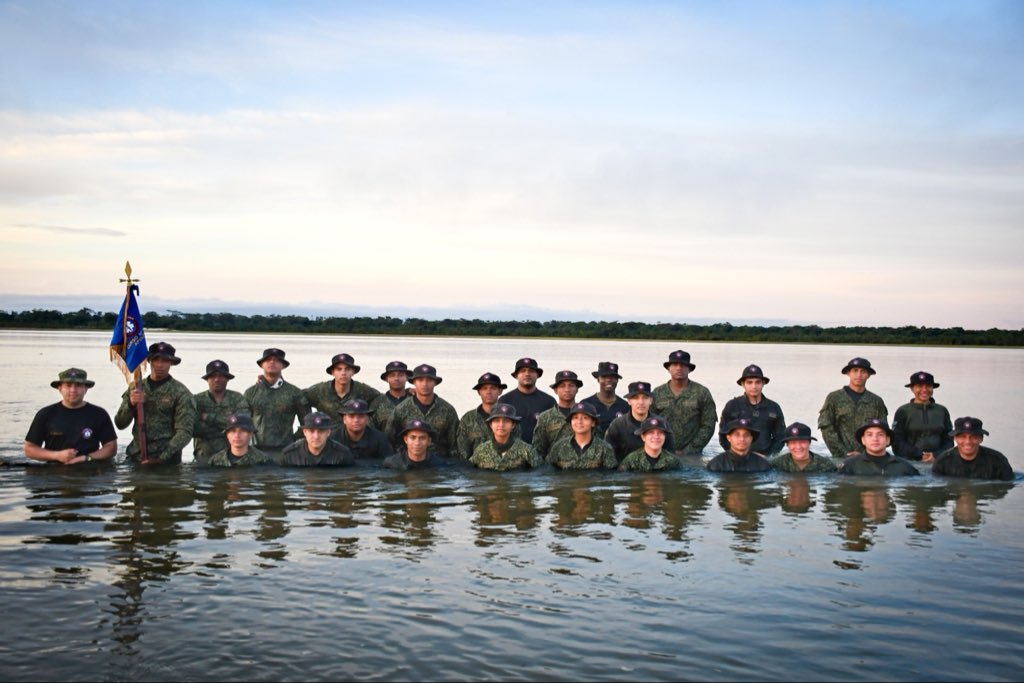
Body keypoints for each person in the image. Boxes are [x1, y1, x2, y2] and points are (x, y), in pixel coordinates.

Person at [114, 341, 195, 465]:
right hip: (136, 455)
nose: (160, 365)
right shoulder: (135, 388)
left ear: (171, 363)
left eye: (165, 361)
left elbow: (184, 433)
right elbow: (120, 423)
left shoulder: (181, 393)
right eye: (156, 360)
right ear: (149, 361)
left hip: (166, 460)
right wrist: (131, 404)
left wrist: (162, 458)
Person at [24, 368, 117, 465]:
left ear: (85, 389)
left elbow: (111, 448)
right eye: (68, 386)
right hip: (53, 474)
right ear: (60, 388)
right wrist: (57, 456)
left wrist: (86, 458)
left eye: (78, 386)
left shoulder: (99, 414)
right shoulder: (46, 414)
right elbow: (29, 449)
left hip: (90, 472)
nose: (73, 390)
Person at [243, 348, 310, 461]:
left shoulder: (294, 393)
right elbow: (243, 422)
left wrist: (294, 440)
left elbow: (307, 422)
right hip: (255, 449)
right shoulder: (250, 392)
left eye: (276, 360)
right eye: (268, 360)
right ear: (262, 365)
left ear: (283, 365)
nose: (272, 362)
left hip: (285, 449)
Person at [818, 357, 888, 458]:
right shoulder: (834, 398)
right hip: (840, 456)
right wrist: (843, 453)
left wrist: (866, 454)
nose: (859, 375)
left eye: (863, 371)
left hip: (870, 457)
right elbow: (826, 427)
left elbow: (883, 431)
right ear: (848, 373)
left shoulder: (876, 401)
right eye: (855, 371)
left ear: (868, 375)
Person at [385, 364, 460, 457]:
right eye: (420, 380)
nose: (424, 384)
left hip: (439, 463)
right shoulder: (401, 409)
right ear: (414, 383)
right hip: (409, 462)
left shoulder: (448, 410)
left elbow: (454, 444)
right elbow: (389, 438)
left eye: (429, 380)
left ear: (435, 383)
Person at [652, 349, 716, 455]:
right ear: (668, 368)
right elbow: (649, 423)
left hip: (692, 454)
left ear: (689, 369)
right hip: (661, 452)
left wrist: (689, 450)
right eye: (675, 364)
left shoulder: (702, 392)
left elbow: (708, 425)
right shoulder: (657, 393)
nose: (679, 368)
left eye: (683, 365)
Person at [718, 364, 786, 456]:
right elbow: (723, 435)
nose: (754, 386)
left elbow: (781, 437)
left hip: (765, 458)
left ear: (763, 384)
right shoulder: (732, 406)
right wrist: (735, 454)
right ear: (743, 384)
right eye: (749, 382)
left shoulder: (774, 408)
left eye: (757, 382)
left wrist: (769, 455)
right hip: (737, 457)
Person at [192, 360, 250, 465]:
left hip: (232, 455)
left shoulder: (237, 399)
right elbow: (194, 428)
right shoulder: (196, 400)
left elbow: (242, 423)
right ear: (207, 379)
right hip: (204, 455)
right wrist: (227, 425)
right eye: (213, 376)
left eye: (221, 376)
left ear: (227, 379)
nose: (217, 379)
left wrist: (208, 418)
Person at [604, 381, 676, 462]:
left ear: (651, 401)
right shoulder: (617, 425)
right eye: (635, 398)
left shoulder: (663, 424)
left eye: (645, 397)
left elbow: (670, 455)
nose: (641, 402)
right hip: (626, 471)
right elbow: (608, 457)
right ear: (629, 401)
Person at [891, 371, 953, 463]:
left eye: (928, 386)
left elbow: (949, 438)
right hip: (909, 460)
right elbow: (897, 440)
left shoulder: (942, 411)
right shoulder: (903, 411)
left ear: (932, 388)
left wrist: (936, 455)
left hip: (937, 461)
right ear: (912, 388)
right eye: (919, 386)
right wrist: (919, 455)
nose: (924, 390)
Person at [932, 417, 1014, 481]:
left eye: (973, 437)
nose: (968, 441)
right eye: (962, 437)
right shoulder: (942, 462)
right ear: (955, 438)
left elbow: (1007, 484)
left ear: (981, 439)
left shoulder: (998, 460)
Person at [498, 357, 556, 444]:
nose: (527, 374)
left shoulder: (549, 401)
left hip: (540, 453)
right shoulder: (505, 401)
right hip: (513, 452)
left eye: (531, 371)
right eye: (522, 371)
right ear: (516, 375)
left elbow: (553, 431)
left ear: (537, 375)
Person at [304, 353, 382, 418]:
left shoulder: (363, 390)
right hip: (327, 434)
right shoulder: (320, 390)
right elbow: (299, 397)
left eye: (347, 369)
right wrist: (310, 421)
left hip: (353, 434)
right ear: (333, 372)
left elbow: (381, 398)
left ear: (353, 372)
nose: (343, 373)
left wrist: (370, 421)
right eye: (339, 369)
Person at [469, 404, 543, 471]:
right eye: (497, 421)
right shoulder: (481, 451)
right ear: (491, 425)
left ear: (513, 425)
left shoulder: (526, 451)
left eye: (506, 421)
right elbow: (469, 473)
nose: (501, 425)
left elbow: (541, 472)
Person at [546, 402, 617, 470]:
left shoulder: (604, 449)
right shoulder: (559, 447)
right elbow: (548, 472)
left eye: (585, 418)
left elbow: (610, 476)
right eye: (575, 418)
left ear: (593, 423)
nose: (579, 422)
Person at [838, 418, 919, 476]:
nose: (875, 439)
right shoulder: (849, 466)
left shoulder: (904, 467)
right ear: (863, 440)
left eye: (880, 435)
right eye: (869, 435)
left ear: (887, 440)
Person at [456, 372, 509, 460]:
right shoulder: (468, 419)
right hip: (475, 469)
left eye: (493, 388)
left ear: (500, 391)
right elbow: (462, 451)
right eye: (484, 388)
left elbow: (516, 447)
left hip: (504, 468)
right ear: (479, 392)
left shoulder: (509, 417)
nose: (488, 392)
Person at [532, 370, 583, 458]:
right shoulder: (545, 417)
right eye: (562, 386)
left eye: (571, 385)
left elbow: (597, 442)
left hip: (583, 465)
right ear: (556, 390)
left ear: (577, 389)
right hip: (553, 467)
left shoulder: (586, 415)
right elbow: (538, 450)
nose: (567, 389)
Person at [281, 411, 356, 467]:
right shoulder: (289, 455)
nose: (316, 436)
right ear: (305, 432)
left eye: (321, 431)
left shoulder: (343, 455)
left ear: (328, 432)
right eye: (311, 431)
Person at [706, 418, 774, 473]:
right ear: (729, 438)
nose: (742, 439)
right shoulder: (716, 465)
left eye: (746, 435)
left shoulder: (763, 465)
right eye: (737, 435)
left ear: (751, 438)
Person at [206, 414, 272, 467]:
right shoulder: (215, 461)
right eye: (233, 431)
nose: (237, 435)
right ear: (227, 434)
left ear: (251, 434)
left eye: (242, 430)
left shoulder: (264, 461)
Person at [581, 361, 629, 433]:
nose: (608, 380)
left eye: (612, 377)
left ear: (617, 380)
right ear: (598, 379)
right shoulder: (586, 404)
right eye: (604, 377)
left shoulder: (626, 406)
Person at [770, 422, 838, 473]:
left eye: (802, 442)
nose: (798, 447)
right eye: (793, 443)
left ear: (809, 442)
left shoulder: (827, 466)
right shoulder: (777, 465)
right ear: (787, 445)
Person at [370, 360, 412, 432]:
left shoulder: (414, 401)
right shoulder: (377, 403)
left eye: (401, 375)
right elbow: (370, 429)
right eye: (392, 375)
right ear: (387, 379)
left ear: (407, 378)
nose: (396, 378)